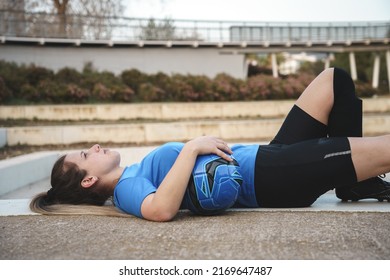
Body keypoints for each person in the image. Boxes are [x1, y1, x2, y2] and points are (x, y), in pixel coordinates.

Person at [30, 67, 390, 222]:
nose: (93, 147)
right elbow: (160, 210)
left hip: (268, 155)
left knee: (333, 80)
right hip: (271, 179)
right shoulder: (125, 190)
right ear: (88, 180)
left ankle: (355, 183)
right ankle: (355, 177)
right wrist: (191, 147)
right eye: (84, 155)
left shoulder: (133, 173)